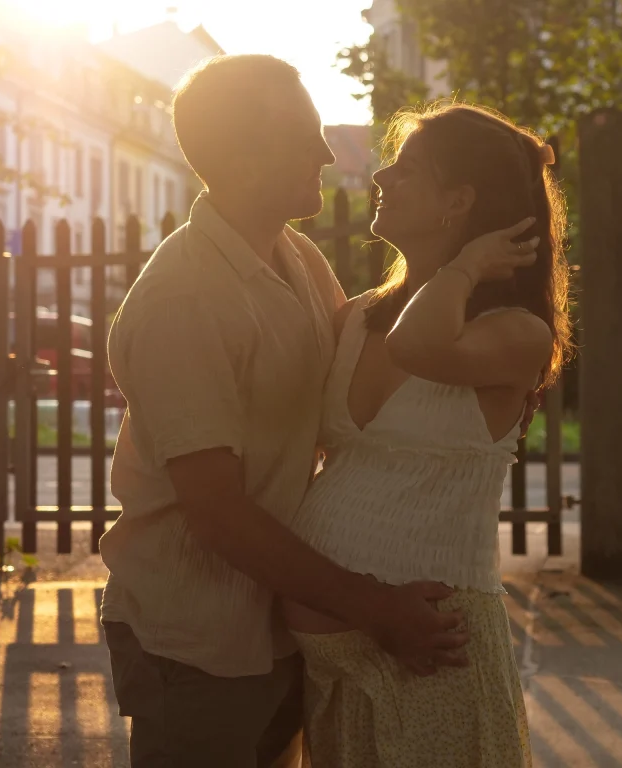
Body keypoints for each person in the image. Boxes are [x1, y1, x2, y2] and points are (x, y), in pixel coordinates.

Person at [98, 55, 477, 767]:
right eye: (305, 136)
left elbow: (361, 396)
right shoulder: (185, 298)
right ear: (244, 157)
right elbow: (217, 514)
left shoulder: (296, 257)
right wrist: (376, 608)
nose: (328, 153)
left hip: (283, 619)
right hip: (198, 638)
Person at [283, 102, 573, 767]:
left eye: (407, 168)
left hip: (435, 657)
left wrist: (466, 269)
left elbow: (419, 346)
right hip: (335, 671)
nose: (382, 175)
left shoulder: (516, 333)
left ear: (459, 200)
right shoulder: (355, 317)